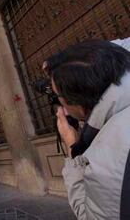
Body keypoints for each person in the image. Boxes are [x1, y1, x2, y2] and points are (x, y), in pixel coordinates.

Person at [45, 40, 130, 219]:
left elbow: (91, 215)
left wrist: (73, 148)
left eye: (58, 95)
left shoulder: (108, 165)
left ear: (78, 102)